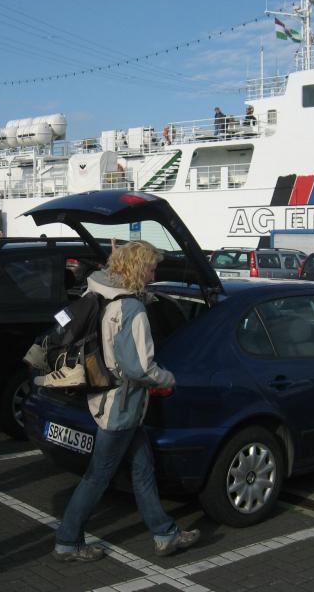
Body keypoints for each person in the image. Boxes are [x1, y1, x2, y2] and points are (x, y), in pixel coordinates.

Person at [53, 241, 200, 562]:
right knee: (97, 477)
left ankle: (165, 534)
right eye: (151, 268)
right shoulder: (132, 309)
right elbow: (139, 369)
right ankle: (67, 541)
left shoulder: (100, 293)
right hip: (121, 407)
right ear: (138, 267)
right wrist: (167, 378)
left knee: (143, 469)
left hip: (108, 398)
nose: (154, 274)